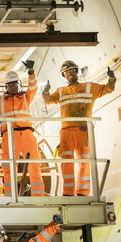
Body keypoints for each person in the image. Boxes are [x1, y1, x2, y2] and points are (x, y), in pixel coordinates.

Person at [43, 60, 116, 196]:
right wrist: (46, 92)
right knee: (66, 161)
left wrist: (111, 79)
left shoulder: (89, 87)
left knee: (84, 160)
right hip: (66, 131)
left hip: (83, 130)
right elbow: (48, 100)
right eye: (66, 72)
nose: (69, 73)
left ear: (76, 71)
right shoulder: (61, 91)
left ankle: (82, 192)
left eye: (71, 70)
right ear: (63, 76)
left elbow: (108, 89)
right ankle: (68, 192)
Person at [0, 61, 44, 199]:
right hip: (8, 136)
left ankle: (38, 197)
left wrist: (31, 71)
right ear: (6, 86)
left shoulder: (26, 97)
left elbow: (33, 87)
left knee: (34, 166)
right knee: (8, 168)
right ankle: (9, 198)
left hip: (27, 134)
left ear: (19, 84)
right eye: (10, 84)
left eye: (15, 84)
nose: (13, 86)